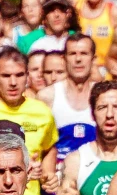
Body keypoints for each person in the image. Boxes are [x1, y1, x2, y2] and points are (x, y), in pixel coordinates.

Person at [0, 47, 59, 193]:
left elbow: (49, 148)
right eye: (6, 75)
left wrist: (47, 174)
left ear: (27, 76)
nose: (13, 82)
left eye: (19, 75)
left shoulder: (42, 112)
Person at [37, 33, 98, 163]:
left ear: (93, 59)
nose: (78, 59)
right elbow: (38, 144)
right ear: (64, 58)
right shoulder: (47, 96)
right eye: (72, 54)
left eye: (84, 53)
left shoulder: (103, 95)